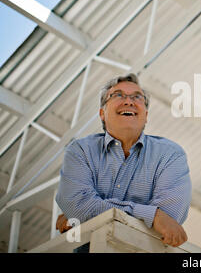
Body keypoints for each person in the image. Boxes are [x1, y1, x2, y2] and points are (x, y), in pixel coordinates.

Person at [55, 73, 192, 251]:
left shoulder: (170, 154)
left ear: (146, 114)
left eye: (137, 97)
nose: (129, 101)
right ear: (102, 113)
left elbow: (170, 217)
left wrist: (89, 213)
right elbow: (78, 204)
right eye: (118, 95)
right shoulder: (80, 151)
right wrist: (153, 216)